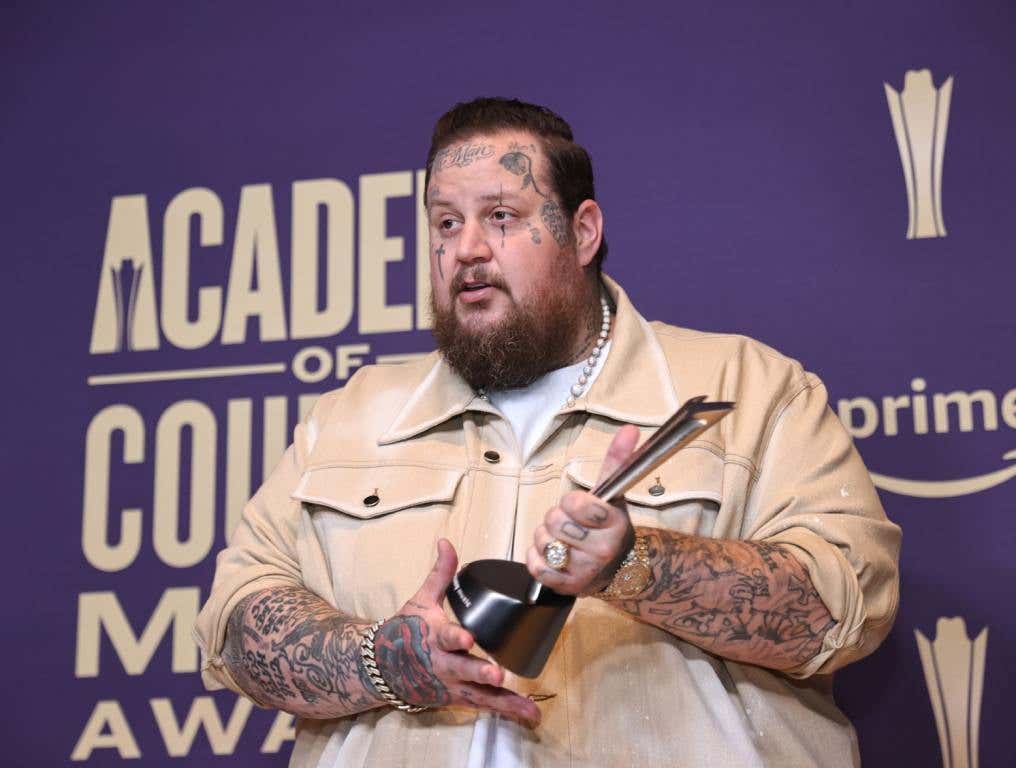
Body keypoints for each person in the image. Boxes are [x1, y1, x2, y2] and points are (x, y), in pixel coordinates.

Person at [194, 97, 901, 767]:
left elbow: (841, 610)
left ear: (582, 231)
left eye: (501, 216)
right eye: (444, 223)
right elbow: (237, 622)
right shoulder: (349, 417)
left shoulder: (747, 389)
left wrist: (634, 564)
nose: (467, 249)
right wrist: (387, 657)